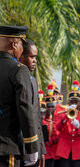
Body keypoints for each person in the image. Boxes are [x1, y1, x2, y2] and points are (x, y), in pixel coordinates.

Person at [0, 25, 39, 166]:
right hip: (6, 148)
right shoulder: (18, 70)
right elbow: (24, 109)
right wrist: (32, 147)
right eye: (22, 44)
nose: (22, 49)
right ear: (14, 44)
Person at [19, 39, 46, 167]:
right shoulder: (16, 79)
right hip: (20, 148)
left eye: (36, 57)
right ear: (21, 56)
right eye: (31, 57)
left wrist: (41, 149)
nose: (35, 61)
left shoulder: (33, 81)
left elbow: (36, 118)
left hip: (34, 149)